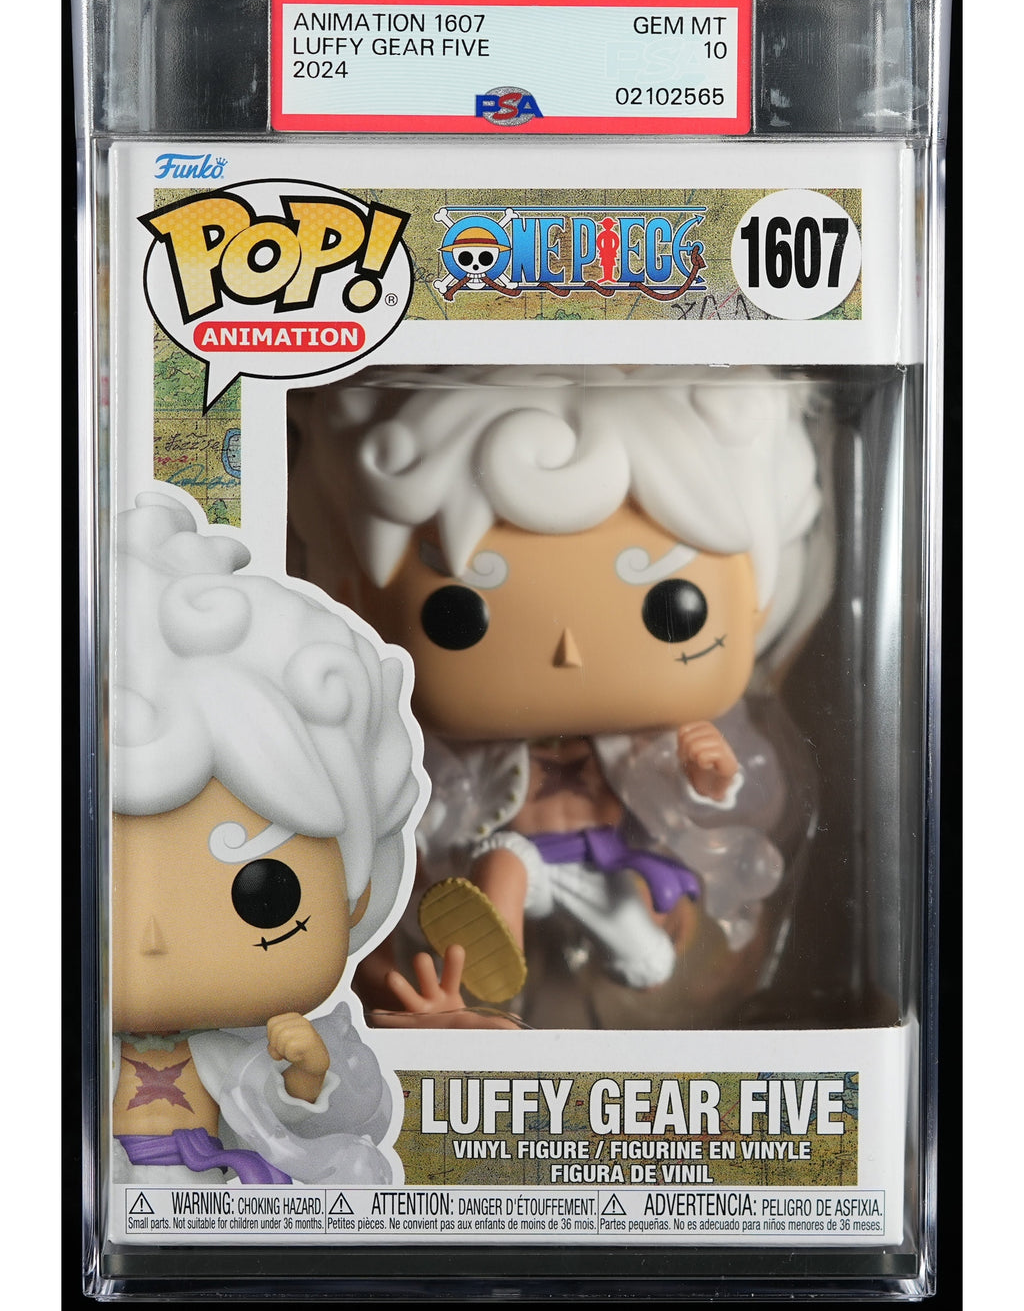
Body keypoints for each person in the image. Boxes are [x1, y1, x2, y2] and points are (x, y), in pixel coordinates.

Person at [289, 365, 823, 1005]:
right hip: (518, 862)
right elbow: (417, 806)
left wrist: (711, 781)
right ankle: (485, 969)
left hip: (612, 867)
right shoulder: (440, 748)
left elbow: (737, 805)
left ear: (759, 604)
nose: (569, 653)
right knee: (504, 863)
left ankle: (626, 970)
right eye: (457, 615)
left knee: (648, 959)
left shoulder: (661, 742)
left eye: (674, 608)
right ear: (353, 597)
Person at [111, 489, 426, 1184]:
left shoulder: (233, 1052)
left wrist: (306, 1071)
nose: (152, 937)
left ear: (355, 893)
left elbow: (299, 1114)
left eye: (266, 893)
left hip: (211, 1190)